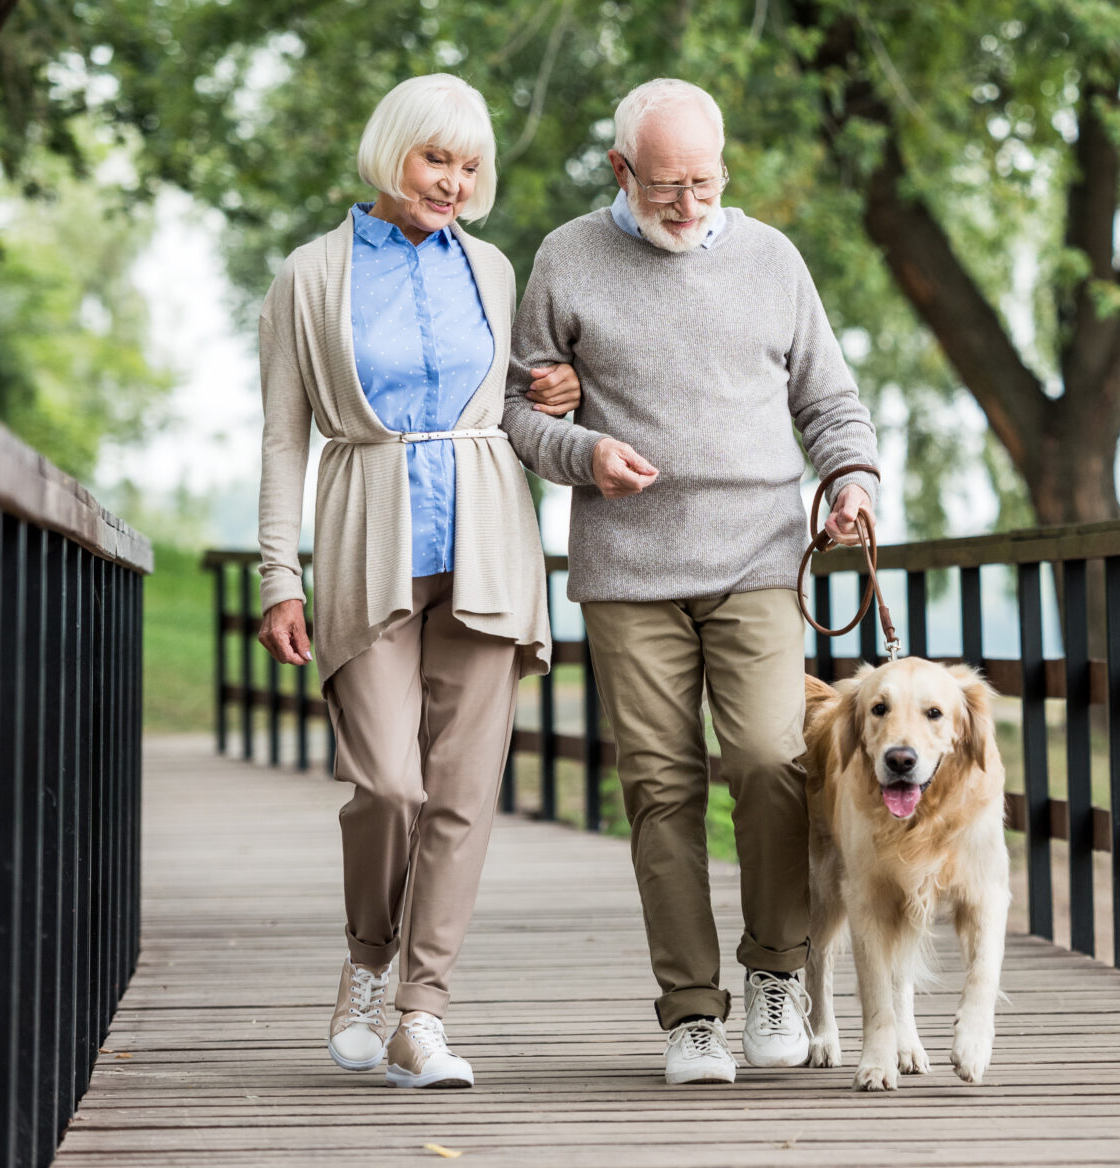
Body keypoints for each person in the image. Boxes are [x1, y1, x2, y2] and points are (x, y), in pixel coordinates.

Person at [502, 76, 879, 1085]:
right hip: (629, 565)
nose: (686, 204)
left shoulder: (770, 258)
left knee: (767, 758)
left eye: (703, 183)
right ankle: (689, 1013)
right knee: (659, 785)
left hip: (756, 552)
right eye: (665, 185)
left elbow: (829, 399)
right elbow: (515, 408)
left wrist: (849, 479)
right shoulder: (567, 258)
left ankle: (775, 971)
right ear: (622, 170)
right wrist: (582, 453)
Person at [254, 73, 551, 1090]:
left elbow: (498, 395)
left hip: (487, 541)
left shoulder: (494, 268)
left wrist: (545, 389)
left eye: (471, 167)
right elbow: (284, 436)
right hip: (362, 539)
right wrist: (274, 575)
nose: (454, 183)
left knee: (463, 793)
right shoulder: (310, 273)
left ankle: (423, 1013)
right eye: (437, 160)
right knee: (389, 784)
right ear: (392, 154)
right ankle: (368, 964)